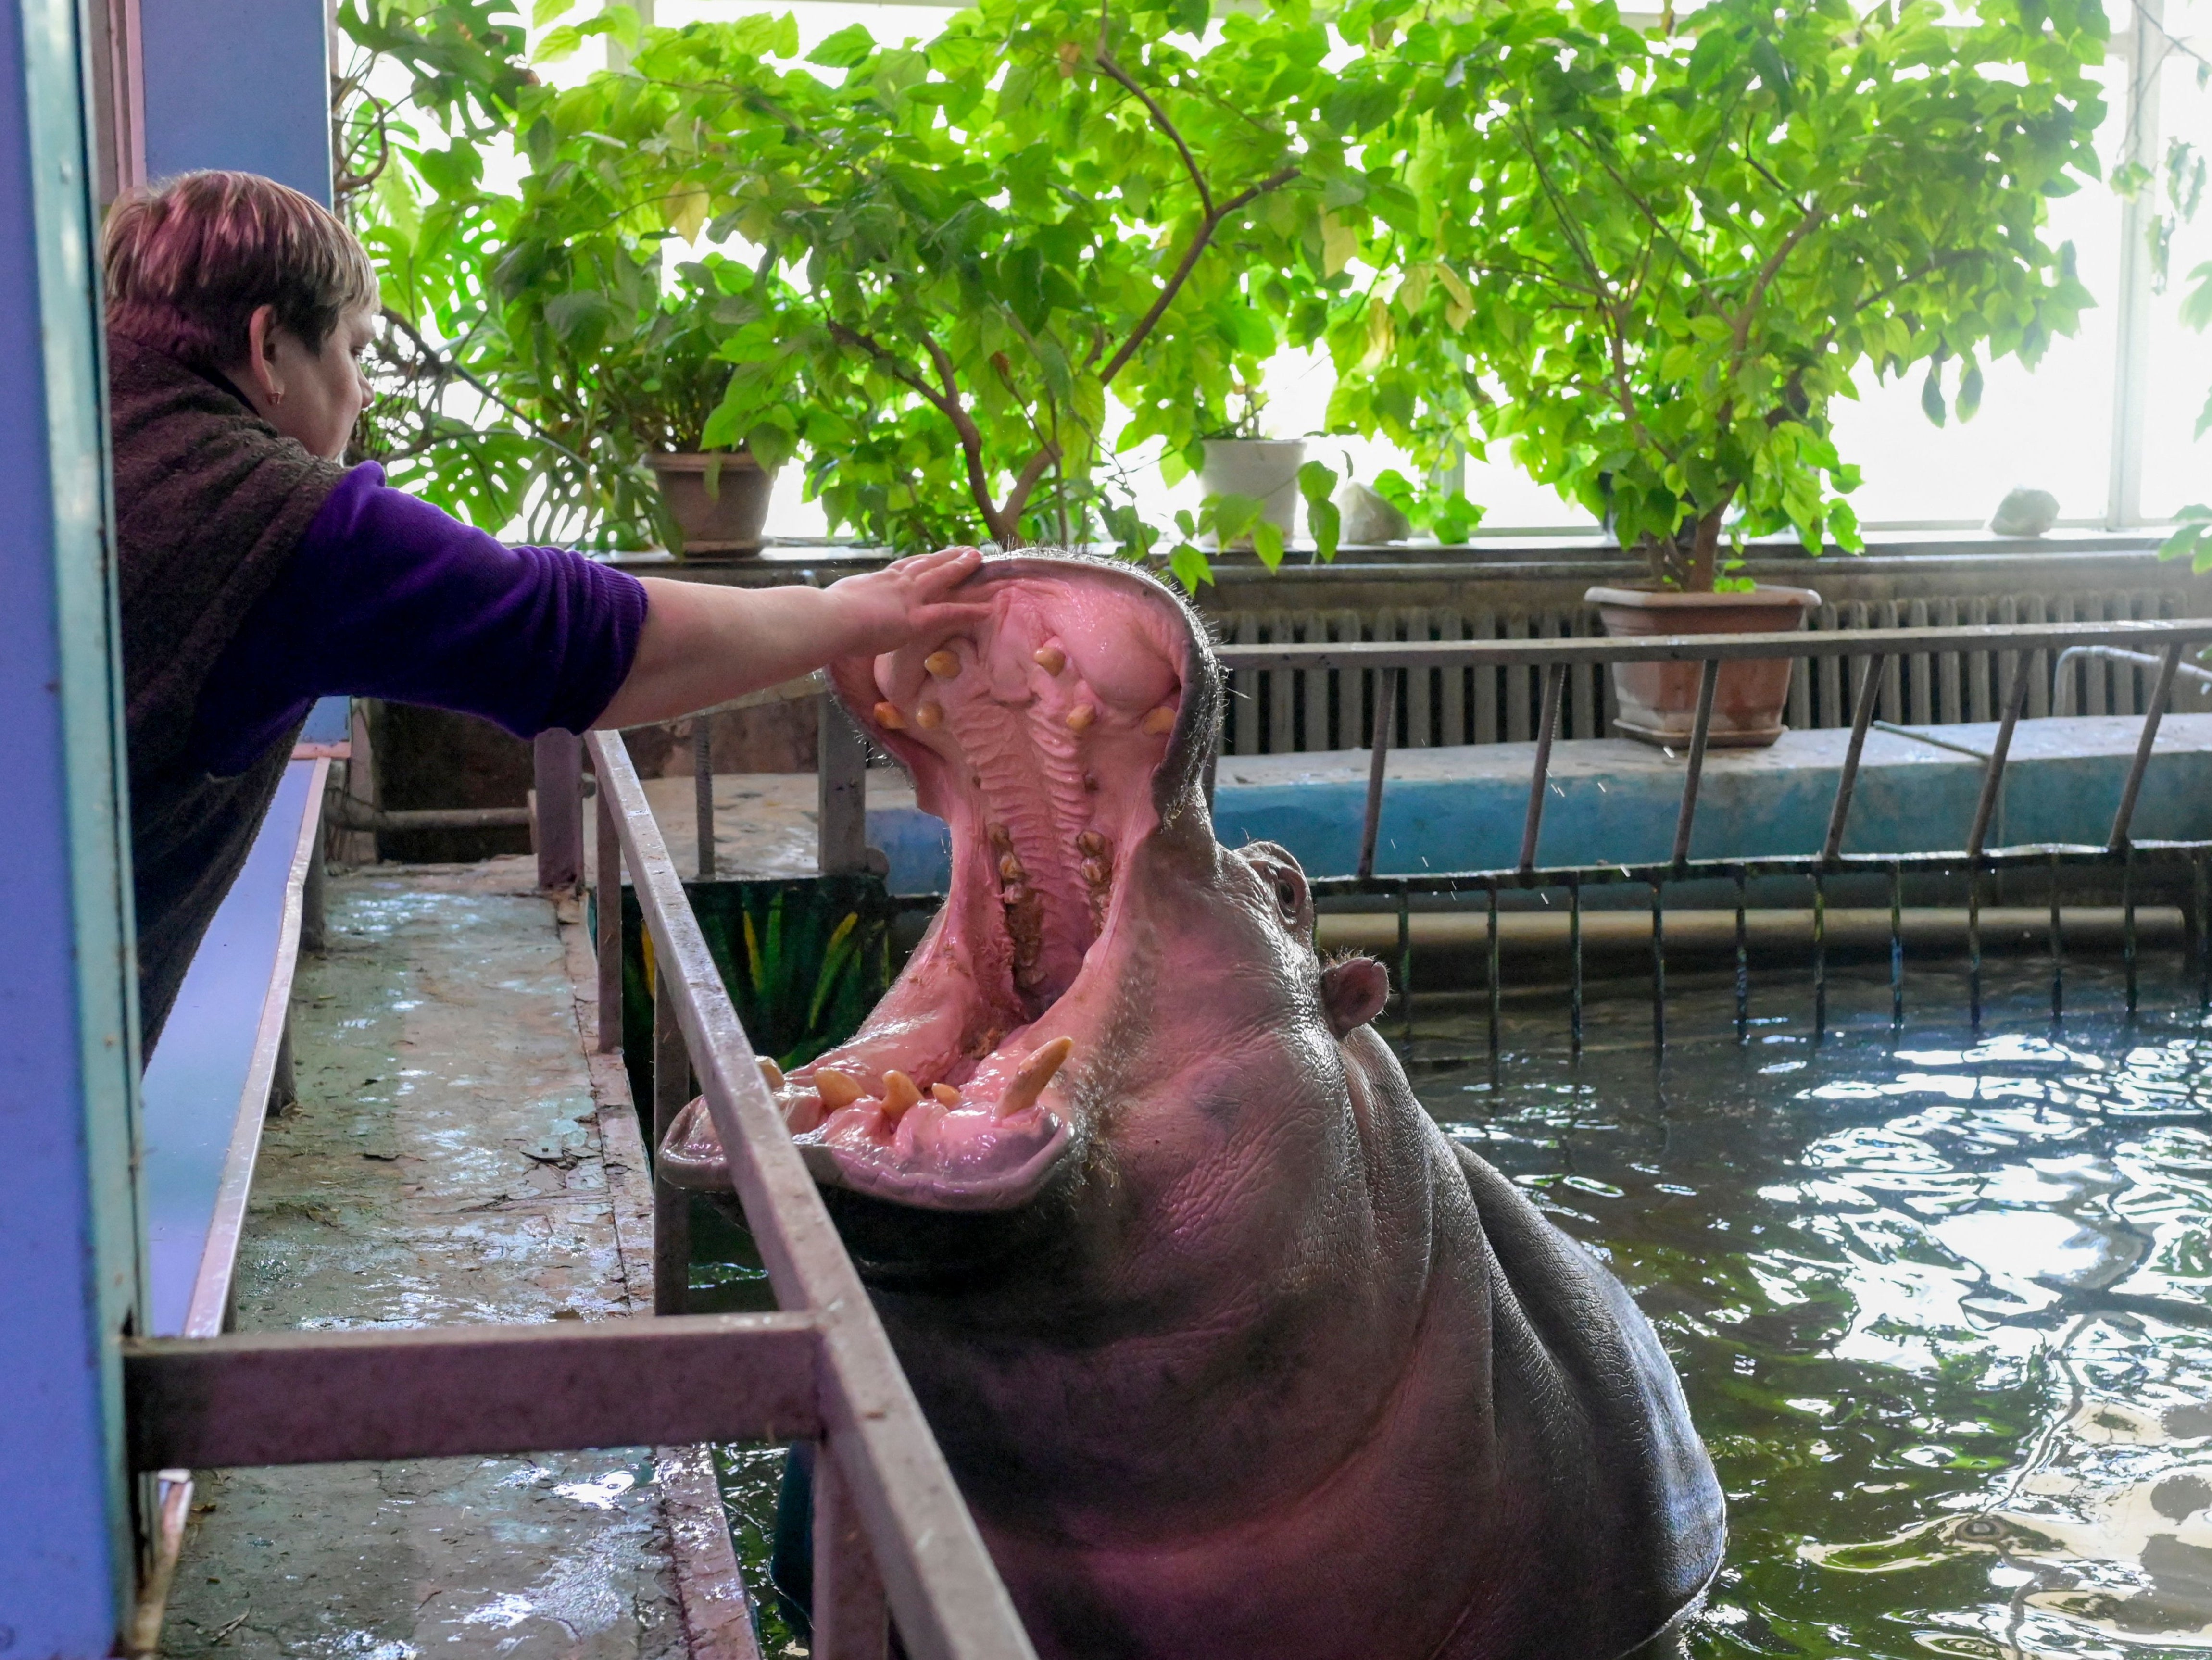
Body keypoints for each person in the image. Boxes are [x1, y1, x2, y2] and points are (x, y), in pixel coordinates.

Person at [103, 169, 985, 1051]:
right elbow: (585, 639)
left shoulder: (78, 427)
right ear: (267, 348)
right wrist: (851, 613)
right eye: (357, 349)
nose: (364, 392)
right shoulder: (267, 517)